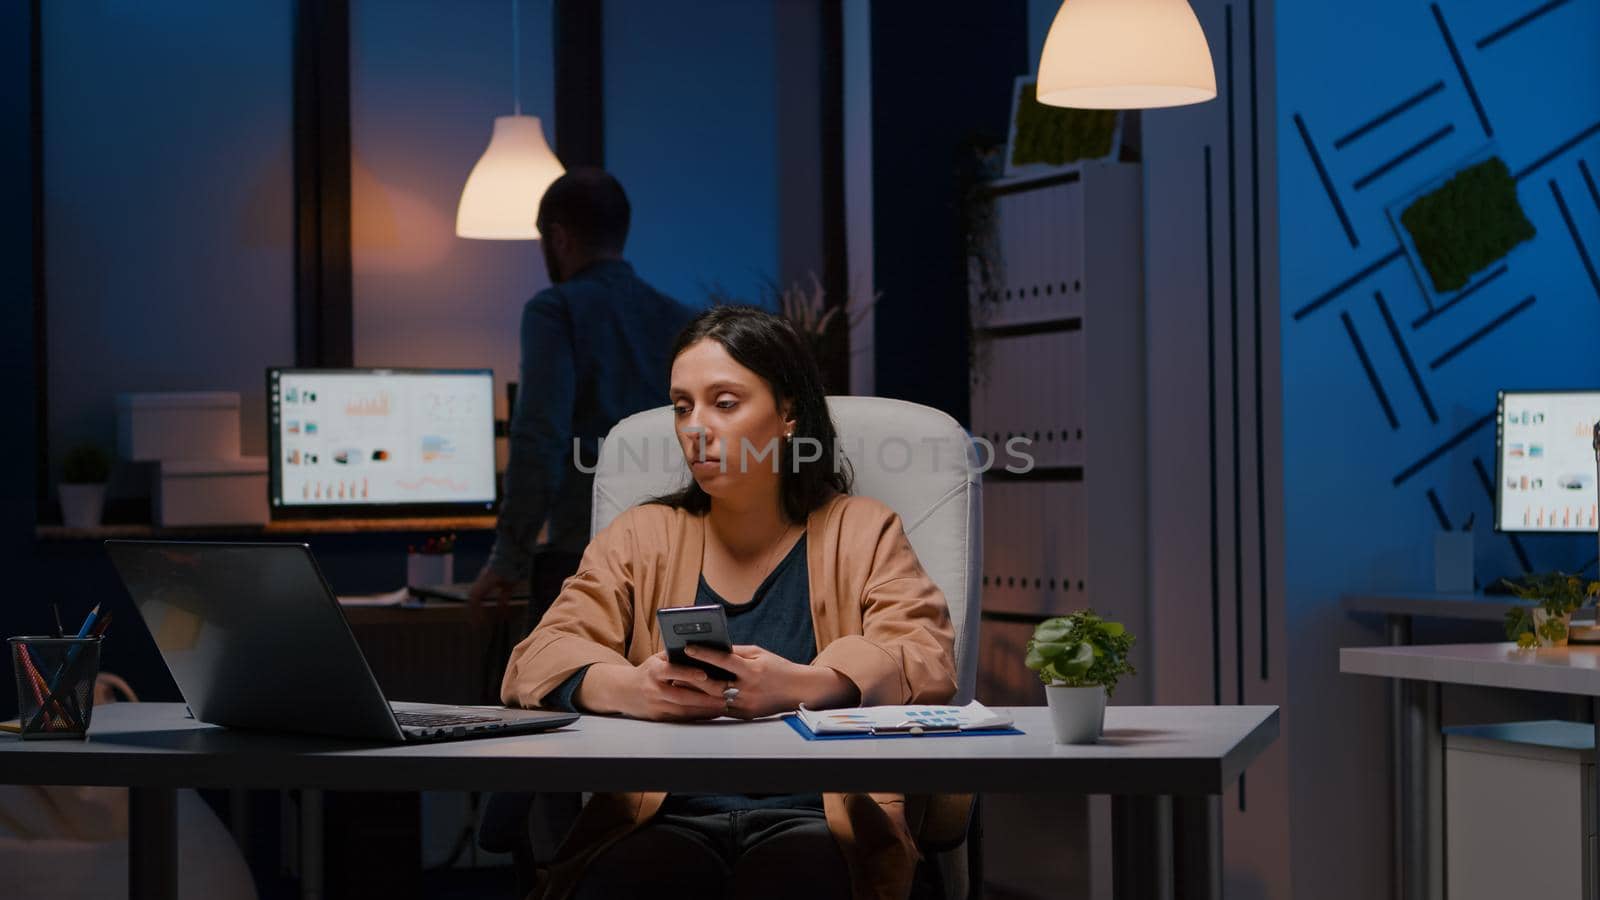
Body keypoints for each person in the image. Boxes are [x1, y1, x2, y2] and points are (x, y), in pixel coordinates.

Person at [500, 305, 958, 900]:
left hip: (821, 819)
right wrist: (633, 688)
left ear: (788, 413)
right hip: (662, 816)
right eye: (682, 406)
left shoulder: (863, 530)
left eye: (724, 402)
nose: (695, 427)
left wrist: (801, 684)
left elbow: (926, 659)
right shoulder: (644, 534)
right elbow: (535, 660)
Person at [469, 168, 694, 631]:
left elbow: (539, 437)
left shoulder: (555, 310)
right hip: (672, 552)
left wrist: (508, 559)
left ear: (557, 237)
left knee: (553, 688)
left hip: (582, 550)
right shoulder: (681, 317)